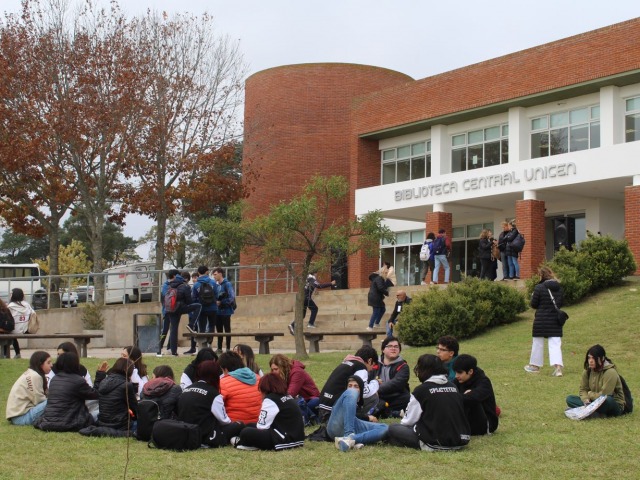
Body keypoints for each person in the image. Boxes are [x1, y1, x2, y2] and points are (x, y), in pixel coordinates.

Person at [388, 354, 471, 451]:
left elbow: (408, 421)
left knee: (393, 428)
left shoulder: (421, 390)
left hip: (434, 442)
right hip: (460, 440)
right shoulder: (453, 386)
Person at [178, 360, 245, 447]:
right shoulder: (213, 394)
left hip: (185, 432)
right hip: (205, 436)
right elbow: (224, 421)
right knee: (239, 425)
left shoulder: (186, 389)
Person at [234, 373, 305, 451]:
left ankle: (239, 442)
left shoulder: (270, 399)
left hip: (283, 440)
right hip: (297, 438)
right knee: (250, 425)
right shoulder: (287, 396)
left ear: (264, 388)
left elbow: (262, 426)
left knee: (246, 432)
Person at [34, 352, 101, 432]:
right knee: (100, 413)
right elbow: (95, 394)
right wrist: (100, 375)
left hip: (49, 422)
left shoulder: (54, 380)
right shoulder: (78, 380)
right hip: (71, 422)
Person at [318, 345, 380, 423]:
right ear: (370, 361)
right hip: (335, 413)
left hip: (322, 410)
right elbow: (364, 392)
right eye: (373, 366)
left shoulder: (345, 364)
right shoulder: (361, 368)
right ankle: (360, 418)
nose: (371, 370)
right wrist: (376, 383)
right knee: (373, 396)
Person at [327, 375, 388, 452]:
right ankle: (349, 434)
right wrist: (368, 417)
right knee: (351, 392)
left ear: (361, 390)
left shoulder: (362, 404)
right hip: (336, 425)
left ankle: (351, 440)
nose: (352, 388)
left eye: (356, 386)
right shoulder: (344, 397)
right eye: (350, 386)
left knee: (385, 427)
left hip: (355, 424)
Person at [524, 265, 565, 376]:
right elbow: (560, 303)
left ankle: (535, 366)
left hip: (541, 320)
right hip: (555, 320)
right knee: (555, 344)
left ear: (541, 275)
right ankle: (558, 369)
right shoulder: (559, 287)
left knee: (537, 343)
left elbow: (534, 304)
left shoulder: (539, 288)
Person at [566, 344, 626, 417]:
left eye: (593, 358)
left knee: (608, 400)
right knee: (570, 399)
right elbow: (583, 389)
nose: (590, 361)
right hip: (593, 402)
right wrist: (586, 400)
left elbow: (604, 396)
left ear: (602, 358)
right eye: (589, 358)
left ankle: (590, 412)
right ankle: (595, 412)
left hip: (612, 404)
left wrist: (590, 394)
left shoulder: (610, 372)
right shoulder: (587, 371)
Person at [453, 354, 499, 435]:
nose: (456, 376)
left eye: (459, 373)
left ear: (470, 371)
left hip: (486, 424)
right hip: (469, 421)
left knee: (471, 400)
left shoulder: (484, 382)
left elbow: (473, 398)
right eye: (455, 372)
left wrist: (464, 396)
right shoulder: (458, 381)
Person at [270, 353, 320, 425]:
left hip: (310, 399)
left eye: (276, 369)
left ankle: (310, 418)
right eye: (272, 370)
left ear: (283, 367)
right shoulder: (279, 375)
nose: (273, 372)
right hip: (297, 400)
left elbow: (291, 393)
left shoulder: (297, 372)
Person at [161, 269, 202, 357]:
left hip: (171, 309)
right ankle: (191, 324)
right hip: (181, 307)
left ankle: (173, 351)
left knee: (173, 330)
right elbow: (189, 301)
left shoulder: (169, 285)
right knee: (198, 306)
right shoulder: (185, 286)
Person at [5, 351, 51, 425]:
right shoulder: (35, 376)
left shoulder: (31, 373)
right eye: (48, 363)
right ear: (40, 364)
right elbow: (39, 401)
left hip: (17, 417)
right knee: (55, 400)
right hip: (21, 418)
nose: (51, 365)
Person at [94, 357, 138, 432]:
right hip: (121, 425)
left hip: (102, 423)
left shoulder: (103, 381)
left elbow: (96, 389)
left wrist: (100, 374)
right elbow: (135, 408)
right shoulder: (126, 385)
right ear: (127, 370)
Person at [218, 351, 262, 424]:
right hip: (258, 423)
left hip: (235, 425)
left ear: (225, 369)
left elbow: (216, 406)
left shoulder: (223, 383)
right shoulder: (259, 378)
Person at [375, 336, 410, 417]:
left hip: (395, 396)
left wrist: (376, 389)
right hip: (378, 396)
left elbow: (397, 383)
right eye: (390, 346)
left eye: (396, 346)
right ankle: (393, 413)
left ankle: (384, 411)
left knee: (407, 398)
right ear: (383, 349)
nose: (393, 348)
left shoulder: (403, 366)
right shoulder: (375, 363)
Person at [189, 265, 220, 355]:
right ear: (207, 272)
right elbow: (217, 294)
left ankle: (203, 346)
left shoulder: (196, 284)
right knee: (211, 326)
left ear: (198, 273)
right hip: (213, 308)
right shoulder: (213, 282)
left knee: (201, 327)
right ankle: (209, 343)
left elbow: (193, 297)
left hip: (201, 309)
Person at [6, 288, 36, 358]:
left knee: (7, 334)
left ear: (14, 295)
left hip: (13, 330)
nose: (10, 295)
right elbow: (33, 314)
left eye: (11, 294)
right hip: (25, 330)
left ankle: (5, 353)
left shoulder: (10, 306)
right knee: (12, 336)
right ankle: (17, 354)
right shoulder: (27, 305)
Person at [212, 267, 235, 353]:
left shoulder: (227, 284)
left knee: (227, 330)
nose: (214, 276)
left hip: (226, 311)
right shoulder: (216, 285)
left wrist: (221, 302)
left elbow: (231, 297)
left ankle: (228, 348)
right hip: (217, 312)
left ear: (220, 274)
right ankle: (219, 348)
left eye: (215, 274)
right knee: (219, 331)